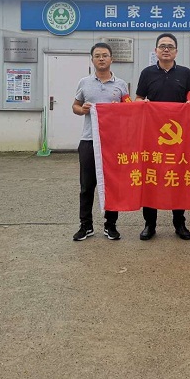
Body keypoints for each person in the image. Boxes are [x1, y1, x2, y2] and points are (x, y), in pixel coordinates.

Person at [135, 32, 190, 241]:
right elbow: (139, 98)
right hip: (153, 136)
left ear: (176, 51)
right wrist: (142, 103)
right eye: (162, 46)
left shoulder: (185, 73)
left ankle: (179, 223)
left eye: (170, 46)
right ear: (156, 51)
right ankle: (149, 224)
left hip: (179, 137)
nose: (166, 49)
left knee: (177, 178)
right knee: (151, 177)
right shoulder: (147, 73)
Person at [72, 43, 129, 241]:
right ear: (92, 60)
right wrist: (83, 110)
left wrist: (118, 109)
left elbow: (129, 109)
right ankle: (85, 226)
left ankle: (110, 225)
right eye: (97, 56)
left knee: (113, 184)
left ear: (112, 59)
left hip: (113, 142)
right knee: (87, 186)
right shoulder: (84, 83)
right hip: (89, 140)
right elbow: (75, 106)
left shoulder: (121, 84)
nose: (101, 58)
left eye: (105, 55)